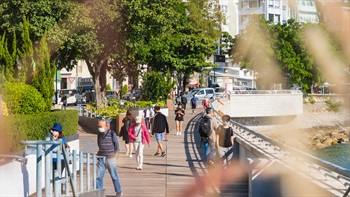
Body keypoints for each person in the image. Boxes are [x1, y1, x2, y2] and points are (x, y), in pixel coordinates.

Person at [96, 119, 123, 197]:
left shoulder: (111, 133)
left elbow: (116, 143)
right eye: (98, 126)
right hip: (101, 157)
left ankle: (119, 191)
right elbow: (98, 143)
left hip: (110, 157)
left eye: (100, 126)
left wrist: (117, 152)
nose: (99, 128)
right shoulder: (99, 134)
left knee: (114, 175)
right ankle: (99, 192)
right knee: (98, 176)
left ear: (106, 126)